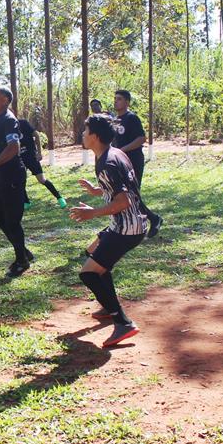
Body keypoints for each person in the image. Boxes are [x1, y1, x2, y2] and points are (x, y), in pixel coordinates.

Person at [70, 114, 145, 348]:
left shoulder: (107, 163)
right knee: (93, 254)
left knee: (89, 273)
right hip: (126, 224)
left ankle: (123, 322)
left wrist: (92, 213)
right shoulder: (113, 153)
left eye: (85, 131)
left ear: (94, 136)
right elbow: (120, 187)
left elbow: (123, 202)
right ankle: (108, 305)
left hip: (127, 228)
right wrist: (96, 191)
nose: (82, 135)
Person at [0, 85, 33, 278]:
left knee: (12, 221)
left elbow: (13, 147)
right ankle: (23, 251)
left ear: (5, 100)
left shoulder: (8, 120)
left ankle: (21, 261)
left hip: (11, 175)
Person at [112, 90, 162, 238]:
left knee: (132, 195)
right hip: (120, 162)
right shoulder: (115, 120)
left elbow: (141, 139)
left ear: (127, 102)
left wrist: (123, 150)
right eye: (115, 99)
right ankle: (146, 220)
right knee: (122, 194)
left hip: (133, 161)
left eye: (119, 99)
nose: (116, 101)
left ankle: (152, 219)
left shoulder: (132, 118)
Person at [18, 118, 67, 209]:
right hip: (19, 158)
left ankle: (59, 197)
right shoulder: (7, 127)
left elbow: (36, 135)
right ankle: (26, 202)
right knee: (20, 181)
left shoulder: (23, 123)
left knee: (42, 180)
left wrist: (39, 152)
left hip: (31, 156)